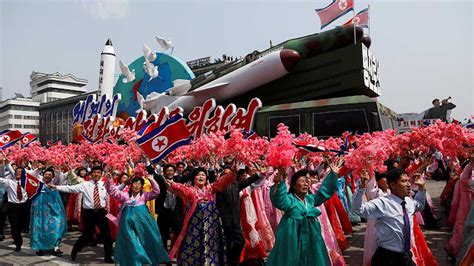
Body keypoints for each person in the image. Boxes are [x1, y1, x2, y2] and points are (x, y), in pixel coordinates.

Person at [266, 158, 344, 266]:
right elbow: (279, 200)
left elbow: (324, 192)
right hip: (292, 239)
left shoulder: (310, 199)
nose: (306, 184)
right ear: (293, 185)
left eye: (307, 181)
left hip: (312, 238)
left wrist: (333, 174)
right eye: (302, 181)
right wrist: (280, 183)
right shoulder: (290, 200)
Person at [353, 168, 426, 266]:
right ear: (393, 185)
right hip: (387, 257)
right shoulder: (382, 203)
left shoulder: (409, 202)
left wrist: (421, 188)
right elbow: (358, 209)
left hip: (406, 255)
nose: (408, 185)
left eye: (408, 181)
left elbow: (420, 205)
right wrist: (362, 188)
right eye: (404, 181)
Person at [166, 167, 236, 265]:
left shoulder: (210, 188)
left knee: (211, 246)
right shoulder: (190, 190)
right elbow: (181, 188)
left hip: (211, 227)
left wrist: (233, 173)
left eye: (203, 175)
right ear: (193, 178)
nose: (201, 177)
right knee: (194, 247)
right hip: (194, 228)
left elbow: (222, 182)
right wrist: (172, 184)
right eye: (198, 175)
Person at [49, 165, 114, 263]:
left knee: (107, 236)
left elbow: (115, 190)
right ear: (91, 174)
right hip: (89, 213)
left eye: (98, 172)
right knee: (87, 236)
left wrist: (121, 182)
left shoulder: (104, 184)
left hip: (101, 212)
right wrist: (56, 187)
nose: (96, 174)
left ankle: (108, 257)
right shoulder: (85, 184)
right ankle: (75, 249)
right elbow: (70, 188)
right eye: (94, 172)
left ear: (101, 174)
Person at [105, 174, 169, 265]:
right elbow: (112, 191)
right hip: (127, 224)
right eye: (135, 183)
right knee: (132, 241)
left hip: (142, 224)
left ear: (142, 186)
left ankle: (143, 260)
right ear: (131, 185)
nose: (137, 186)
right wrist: (111, 180)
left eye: (139, 184)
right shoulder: (125, 195)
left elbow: (156, 191)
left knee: (145, 240)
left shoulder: (145, 196)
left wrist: (151, 180)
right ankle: (136, 261)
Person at [30, 167, 67, 256]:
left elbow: (61, 178)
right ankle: (39, 247)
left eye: (50, 174)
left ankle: (56, 247)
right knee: (39, 227)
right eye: (46, 174)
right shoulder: (38, 182)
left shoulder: (55, 183)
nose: (47, 175)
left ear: (53, 177)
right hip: (40, 210)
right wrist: (39, 168)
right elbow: (31, 176)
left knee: (57, 226)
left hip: (54, 209)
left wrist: (56, 166)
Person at [0, 166, 29, 251]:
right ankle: (18, 243)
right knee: (14, 226)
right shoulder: (9, 182)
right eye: (17, 172)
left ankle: (19, 234)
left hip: (24, 206)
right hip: (13, 207)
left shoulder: (27, 183)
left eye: (20, 172)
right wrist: (4, 164)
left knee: (22, 225)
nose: (18, 173)